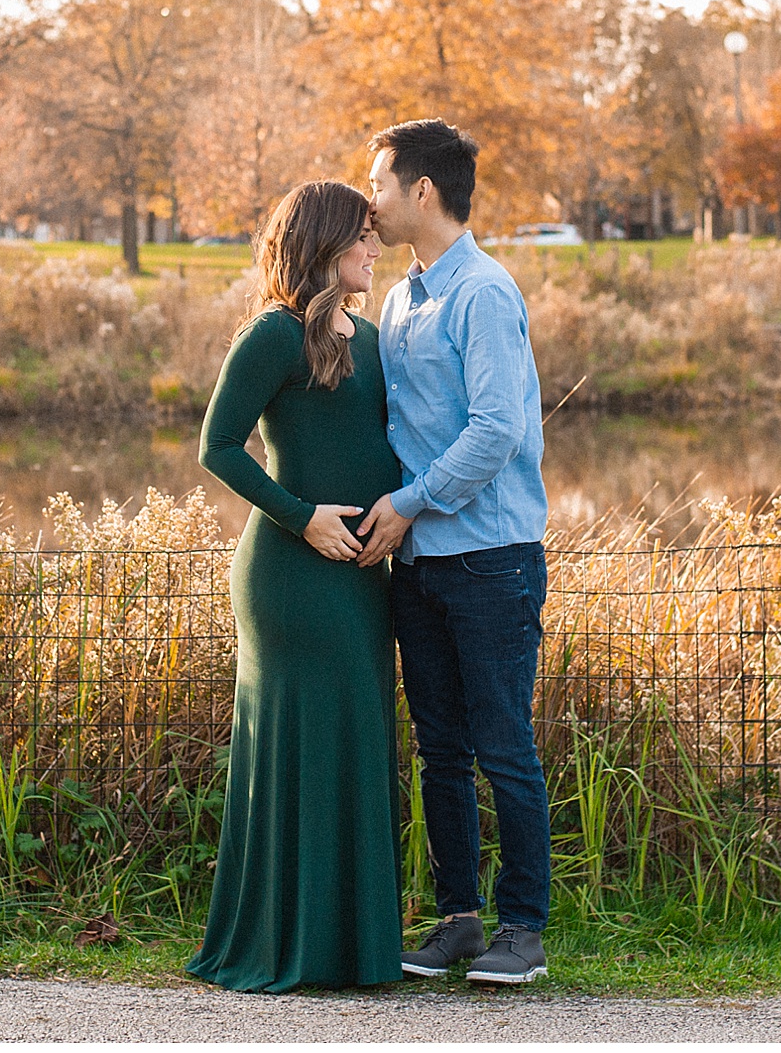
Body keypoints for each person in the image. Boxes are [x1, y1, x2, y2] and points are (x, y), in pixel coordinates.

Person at [185, 180, 407, 993]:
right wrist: (301, 515)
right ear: (323, 242)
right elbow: (219, 446)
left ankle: (355, 948)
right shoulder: (273, 336)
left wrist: (404, 512)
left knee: (355, 738)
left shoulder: (377, 340)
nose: (374, 250)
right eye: (362, 237)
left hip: (361, 575)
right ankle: (288, 942)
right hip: (289, 574)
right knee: (301, 745)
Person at [354, 119, 553, 987]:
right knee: (440, 751)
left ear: (422, 190)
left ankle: (524, 930)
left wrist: (406, 503)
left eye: (380, 184)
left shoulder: (483, 293)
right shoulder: (400, 297)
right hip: (419, 563)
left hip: (490, 559)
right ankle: (459, 922)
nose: (372, 199)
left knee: (505, 745)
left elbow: (496, 430)